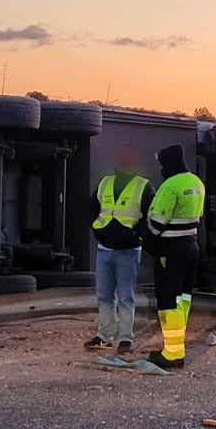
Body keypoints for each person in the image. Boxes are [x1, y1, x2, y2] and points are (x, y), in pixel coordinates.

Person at [85, 143, 154, 354]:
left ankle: (125, 338)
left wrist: (135, 235)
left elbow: (149, 216)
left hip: (128, 251)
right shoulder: (105, 182)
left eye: (127, 156)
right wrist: (97, 228)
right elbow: (91, 208)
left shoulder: (144, 186)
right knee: (104, 295)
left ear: (134, 160)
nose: (123, 159)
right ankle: (104, 336)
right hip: (105, 249)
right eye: (120, 155)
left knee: (125, 296)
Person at [141, 143, 205, 370]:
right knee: (183, 299)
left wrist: (146, 237)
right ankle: (177, 346)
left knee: (168, 300)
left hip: (170, 251)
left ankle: (172, 353)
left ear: (166, 164)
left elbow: (157, 223)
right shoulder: (196, 182)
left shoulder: (170, 186)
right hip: (191, 246)